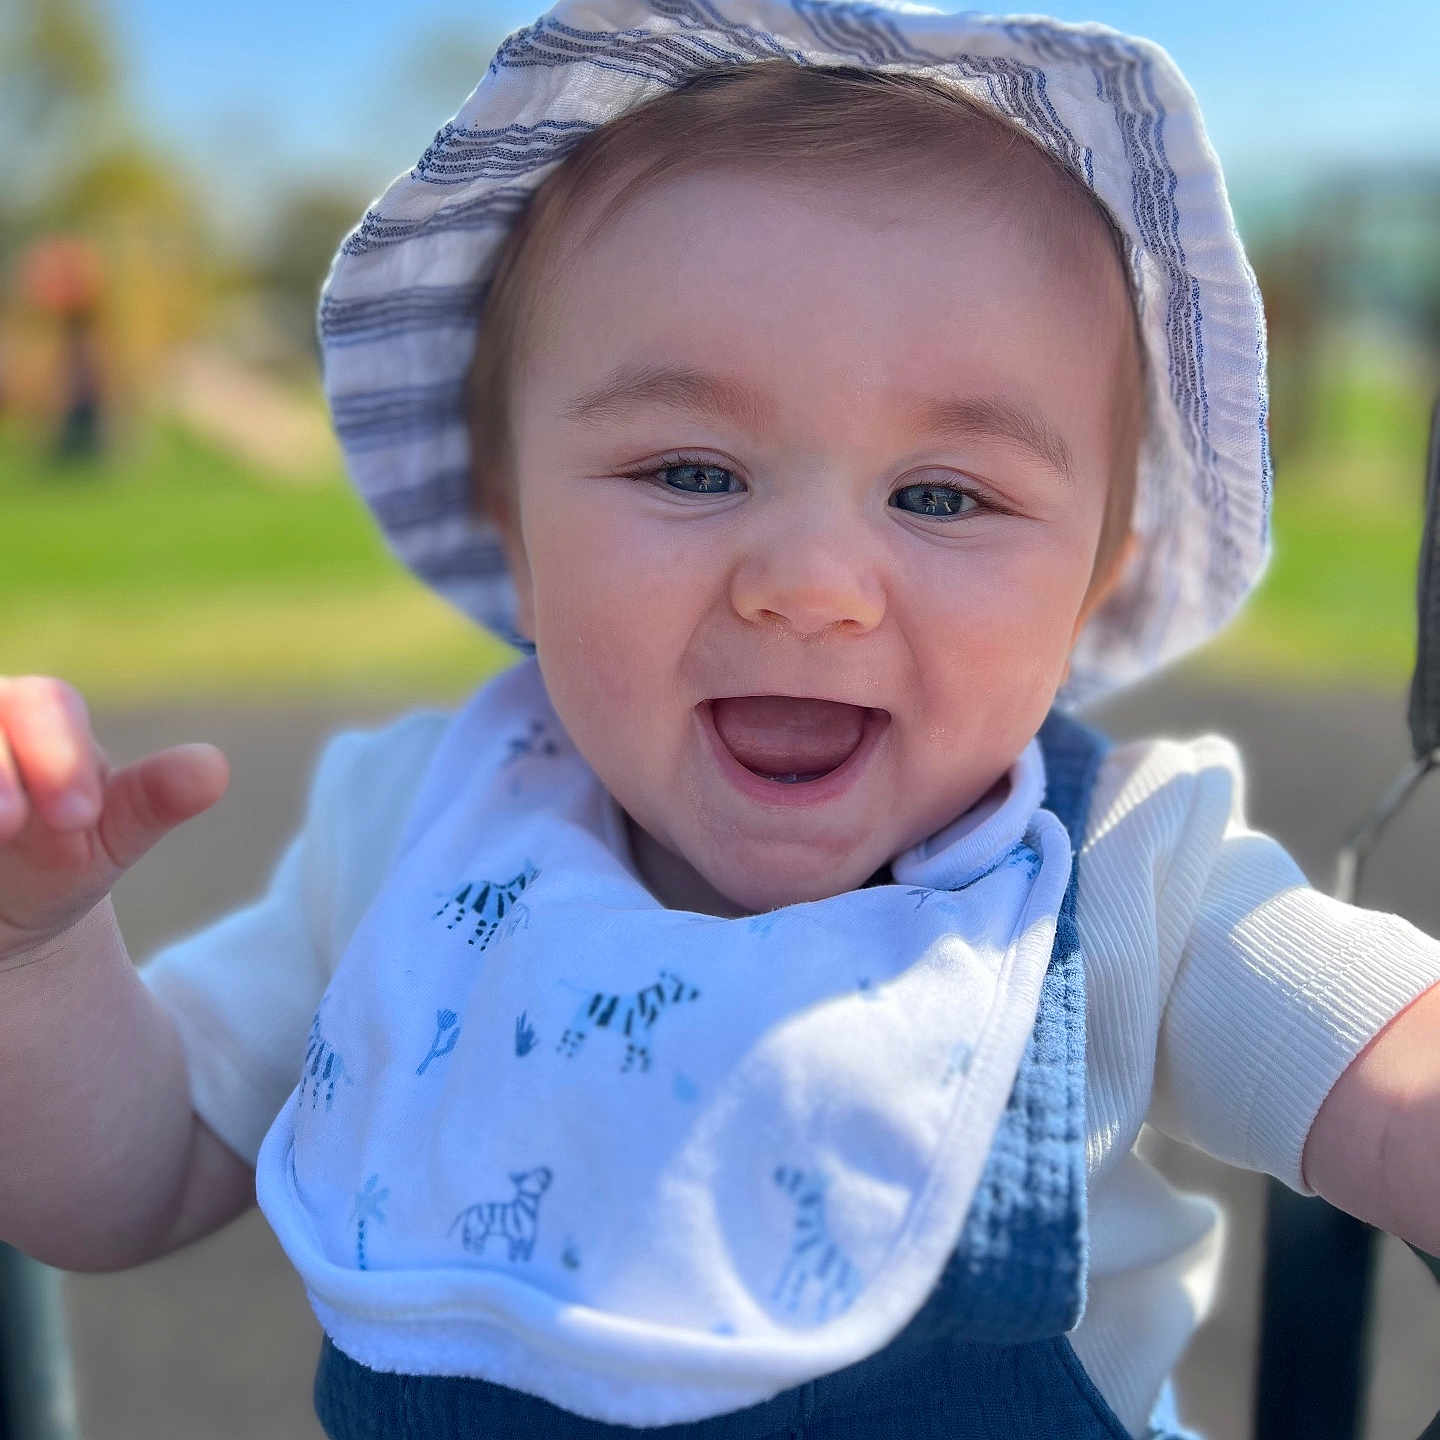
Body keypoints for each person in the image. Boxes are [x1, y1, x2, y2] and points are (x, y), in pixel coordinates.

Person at [2, 3, 1438, 1437]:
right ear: (509, 513)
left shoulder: (1126, 881)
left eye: (944, 495)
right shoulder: (417, 839)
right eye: (690, 471)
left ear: (1090, 583)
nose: (811, 589)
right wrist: (38, 954)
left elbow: (1399, 1080)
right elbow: (118, 1180)